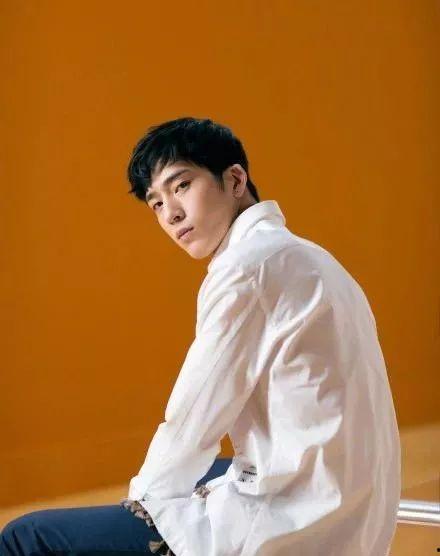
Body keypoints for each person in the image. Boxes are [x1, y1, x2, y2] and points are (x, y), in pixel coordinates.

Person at [0, 116, 401, 556]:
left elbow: (194, 419)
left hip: (296, 524)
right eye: (156, 203)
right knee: (206, 473)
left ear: (235, 180)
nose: (171, 213)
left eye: (182, 185)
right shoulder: (309, 256)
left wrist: (140, 507)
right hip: (356, 506)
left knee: (25, 538)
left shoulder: (246, 267)